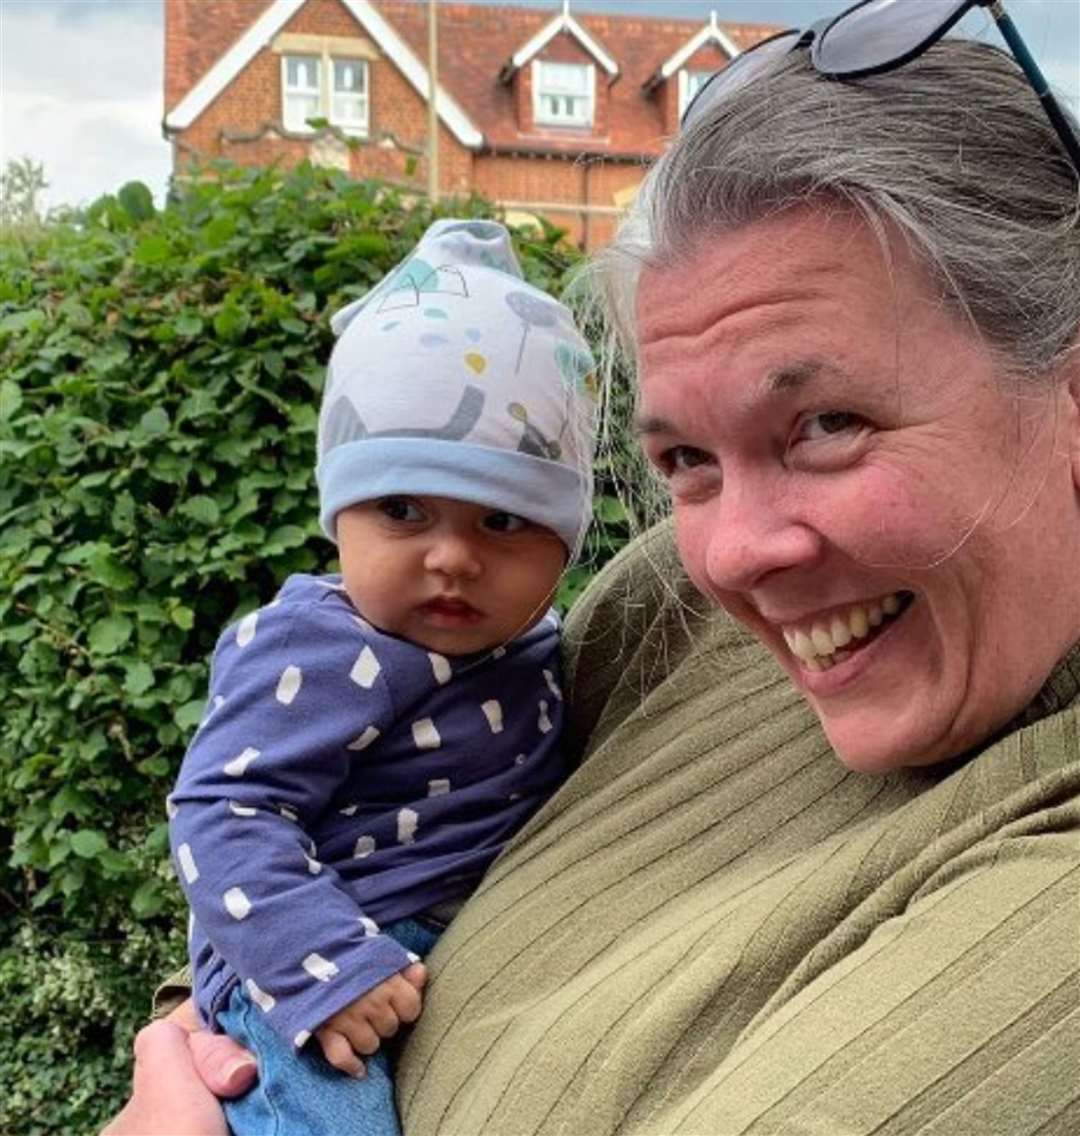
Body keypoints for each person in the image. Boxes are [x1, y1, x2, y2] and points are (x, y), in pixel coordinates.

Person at [105, 6, 1080, 1135]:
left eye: (825, 421)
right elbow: (322, 813)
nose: (729, 553)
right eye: (687, 459)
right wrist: (202, 1037)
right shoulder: (671, 614)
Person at [165, 218, 596, 1136]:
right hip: (310, 969)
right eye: (402, 509)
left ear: (567, 540)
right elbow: (221, 814)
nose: (453, 557)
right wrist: (323, 966)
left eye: (506, 522)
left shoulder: (535, 644)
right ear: (338, 513)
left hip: (431, 958)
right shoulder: (317, 650)